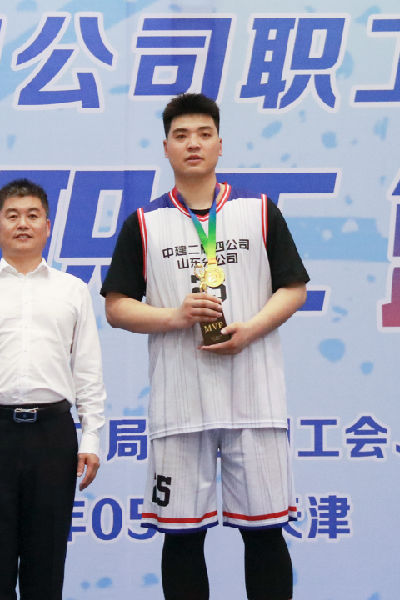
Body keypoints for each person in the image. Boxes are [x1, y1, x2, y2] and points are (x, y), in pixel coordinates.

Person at [101, 93, 309, 600]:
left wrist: (251, 329)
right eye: (181, 136)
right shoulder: (144, 223)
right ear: (166, 148)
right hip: (181, 404)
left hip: (253, 400)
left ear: (220, 144)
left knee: (265, 533)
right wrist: (174, 317)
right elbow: (117, 306)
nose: (192, 144)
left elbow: (294, 288)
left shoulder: (259, 212)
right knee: (181, 538)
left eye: (203, 134)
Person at [0, 178, 106, 600]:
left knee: (45, 566)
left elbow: (88, 370)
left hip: (53, 434)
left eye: (33, 215)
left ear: (47, 226)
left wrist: (91, 436)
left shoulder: (73, 290)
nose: (23, 224)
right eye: (12, 216)